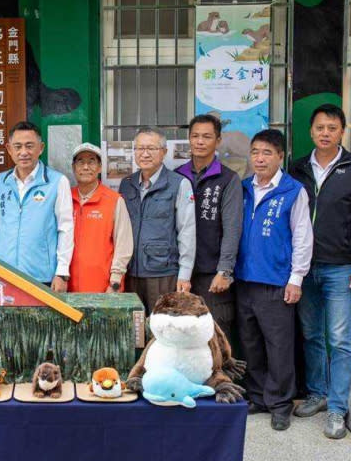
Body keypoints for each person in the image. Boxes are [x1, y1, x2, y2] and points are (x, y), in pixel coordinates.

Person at [289, 104, 351, 439]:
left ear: (342, 131)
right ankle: (317, 393)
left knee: (340, 340)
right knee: (311, 335)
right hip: (304, 268)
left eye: (332, 128)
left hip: (342, 268)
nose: (325, 133)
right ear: (311, 131)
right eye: (320, 127)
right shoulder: (298, 169)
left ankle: (338, 408)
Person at [235, 129, 313, 431]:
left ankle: (280, 404)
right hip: (244, 280)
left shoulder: (293, 191)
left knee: (279, 346)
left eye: (267, 152)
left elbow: (303, 238)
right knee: (250, 344)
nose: (260, 158)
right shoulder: (243, 188)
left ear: (280, 156)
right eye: (255, 152)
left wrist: (296, 279)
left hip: (276, 282)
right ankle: (257, 396)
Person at [0, 121, 74, 292]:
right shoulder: (0, 182)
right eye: (18, 146)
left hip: (43, 276)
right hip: (4, 276)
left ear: (41, 148)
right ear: (9, 149)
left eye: (29, 146)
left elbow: (66, 228)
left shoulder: (57, 182)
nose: (23, 152)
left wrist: (62, 273)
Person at [174, 115, 243, 337]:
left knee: (217, 335)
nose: (200, 142)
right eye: (195, 136)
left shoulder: (228, 179)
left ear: (218, 140)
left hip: (212, 273)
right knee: (182, 334)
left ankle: (222, 373)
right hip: (180, 271)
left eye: (207, 136)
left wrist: (224, 270)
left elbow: (232, 229)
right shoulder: (177, 176)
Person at [118, 128, 195, 312]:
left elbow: (187, 231)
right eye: (139, 148)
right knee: (133, 330)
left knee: (161, 327)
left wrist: (184, 275)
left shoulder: (179, 184)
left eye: (151, 148)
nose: (144, 154)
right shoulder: (126, 184)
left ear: (164, 152)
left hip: (162, 273)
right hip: (130, 272)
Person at [68, 143, 133, 293]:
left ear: (99, 167)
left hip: (103, 286)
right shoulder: (65, 198)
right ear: (73, 167)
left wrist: (115, 281)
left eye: (91, 162)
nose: (85, 167)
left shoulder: (114, 200)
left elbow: (124, 243)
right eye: (80, 162)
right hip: (68, 285)